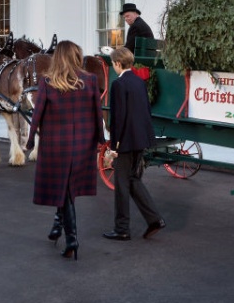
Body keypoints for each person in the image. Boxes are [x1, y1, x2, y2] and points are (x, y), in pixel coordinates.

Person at [25, 40, 105, 261]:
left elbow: (37, 114)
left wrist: (30, 140)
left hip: (56, 145)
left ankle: (72, 240)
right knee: (67, 186)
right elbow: (97, 114)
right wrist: (100, 139)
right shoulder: (90, 80)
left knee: (66, 188)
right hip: (82, 144)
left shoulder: (47, 82)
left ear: (57, 58)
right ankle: (57, 225)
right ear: (76, 56)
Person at [102, 47, 165, 241]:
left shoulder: (118, 84)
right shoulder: (139, 81)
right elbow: (145, 111)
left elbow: (118, 118)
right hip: (141, 139)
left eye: (113, 63)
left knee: (121, 185)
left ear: (118, 64)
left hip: (126, 141)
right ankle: (154, 219)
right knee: (133, 180)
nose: (113, 67)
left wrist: (114, 147)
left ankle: (122, 229)